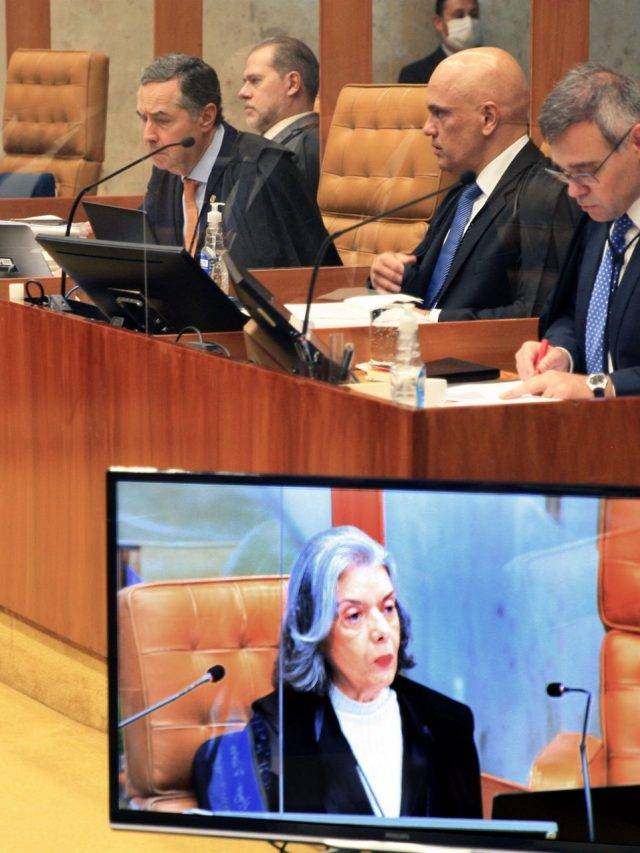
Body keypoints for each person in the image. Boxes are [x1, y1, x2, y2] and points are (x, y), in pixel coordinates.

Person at [193, 526, 482, 818]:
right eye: (354, 616)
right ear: (316, 632)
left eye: (388, 608)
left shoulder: (448, 725)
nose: (382, 630)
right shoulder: (278, 732)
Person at [371, 48, 579, 321]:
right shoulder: (465, 190)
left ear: (488, 118)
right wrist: (389, 274)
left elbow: (534, 316)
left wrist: (432, 320)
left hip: (474, 349)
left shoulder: (546, 194)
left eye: (440, 113)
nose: (427, 128)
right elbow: (431, 284)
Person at [504, 64, 640, 400]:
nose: (573, 191)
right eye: (565, 174)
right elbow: (572, 313)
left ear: (637, 141)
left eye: (585, 172)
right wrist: (561, 353)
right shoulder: (600, 216)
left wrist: (600, 386)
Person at [138, 53, 339, 269]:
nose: (148, 135)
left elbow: (284, 272)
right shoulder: (168, 168)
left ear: (206, 117)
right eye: (143, 118)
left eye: (162, 120)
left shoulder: (262, 168)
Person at [239, 36, 320, 197]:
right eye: (245, 82)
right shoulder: (287, 145)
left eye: (255, 81)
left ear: (292, 84)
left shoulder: (303, 149)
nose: (242, 93)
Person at [398, 0, 481, 84]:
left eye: (473, 14)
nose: (469, 22)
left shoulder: (488, 66)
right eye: (459, 15)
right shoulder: (415, 74)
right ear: (439, 23)